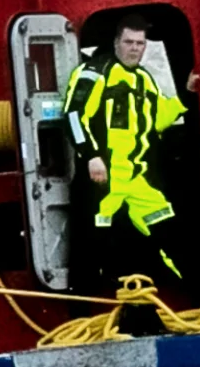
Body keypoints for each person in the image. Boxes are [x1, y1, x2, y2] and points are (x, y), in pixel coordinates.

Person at [67, 22, 187, 291]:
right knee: (93, 249)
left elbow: (157, 120)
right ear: (116, 43)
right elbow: (73, 116)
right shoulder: (94, 73)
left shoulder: (144, 79)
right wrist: (91, 155)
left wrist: (186, 95)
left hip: (136, 180)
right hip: (102, 182)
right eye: (129, 42)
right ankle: (85, 316)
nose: (135, 49)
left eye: (140, 43)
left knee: (171, 236)